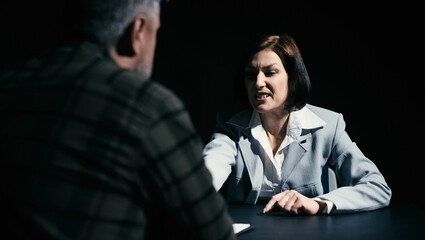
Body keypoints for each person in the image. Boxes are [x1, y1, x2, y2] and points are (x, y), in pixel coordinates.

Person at [0, 0, 235, 239]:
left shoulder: (9, 86)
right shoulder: (147, 107)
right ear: (138, 31)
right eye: (156, 32)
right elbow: (213, 233)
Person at [203, 34, 392, 215]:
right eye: (251, 75)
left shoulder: (328, 126)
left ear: (292, 78)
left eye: (270, 72)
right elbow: (208, 174)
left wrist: (318, 204)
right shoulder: (230, 126)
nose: (258, 82)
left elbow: (377, 187)